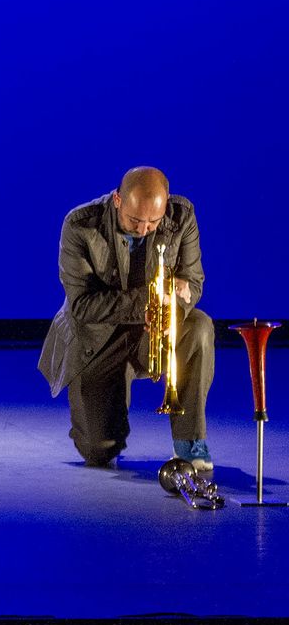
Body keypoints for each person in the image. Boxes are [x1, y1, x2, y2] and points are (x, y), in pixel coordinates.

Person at [39, 166, 214, 472]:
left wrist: (172, 309)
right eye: (135, 220)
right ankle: (104, 430)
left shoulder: (182, 216)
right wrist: (148, 302)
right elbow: (81, 306)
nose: (144, 229)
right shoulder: (80, 225)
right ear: (118, 200)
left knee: (199, 326)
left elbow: (193, 283)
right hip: (98, 340)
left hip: (153, 332)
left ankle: (189, 443)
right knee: (98, 452)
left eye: (153, 222)